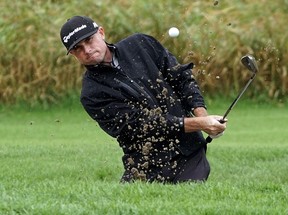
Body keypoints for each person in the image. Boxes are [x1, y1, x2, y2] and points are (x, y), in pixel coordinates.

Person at [60, 16, 227, 183]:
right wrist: (200, 124)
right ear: (73, 54)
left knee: (188, 199)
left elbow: (181, 78)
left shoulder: (140, 44)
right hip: (145, 164)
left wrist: (201, 115)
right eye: (78, 48)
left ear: (101, 33)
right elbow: (142, 125)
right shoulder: (92, 94)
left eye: (89, 40)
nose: (87, 50)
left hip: (190, 152)